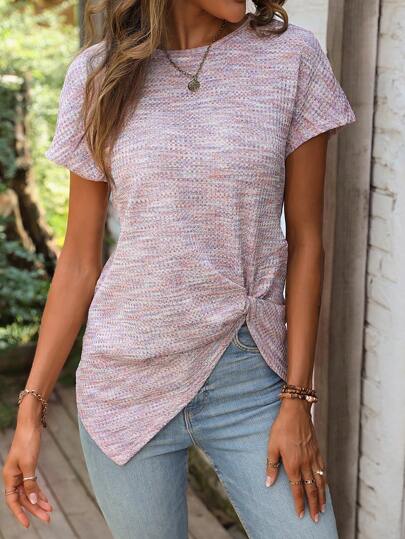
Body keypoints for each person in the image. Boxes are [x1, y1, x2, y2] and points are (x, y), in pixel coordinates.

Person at [2, 1, 356, 537]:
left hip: (249, 375)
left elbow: (307, 243)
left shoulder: (291, 59)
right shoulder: (99, 74)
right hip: (127, 377)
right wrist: (31, 411)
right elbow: (78, 261)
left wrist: (298, 398)